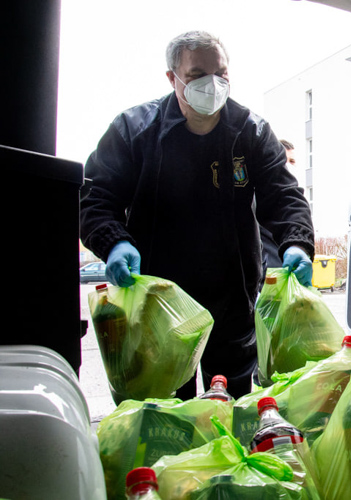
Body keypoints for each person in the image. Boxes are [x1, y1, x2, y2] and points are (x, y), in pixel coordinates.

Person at [79, 31, 315, 399]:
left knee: (233, 402)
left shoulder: (250, 132)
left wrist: (297, 243)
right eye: (197, 75)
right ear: (172, 78)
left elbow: (283, 196)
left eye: (221, 73)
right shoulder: (134, 130)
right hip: (157, 305)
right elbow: (95, 195)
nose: (212, 84)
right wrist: (114, 242)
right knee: (168, 410)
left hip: (232, 300)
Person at [260, 139, 296, 269]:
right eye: (283, 161)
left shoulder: (295, 206)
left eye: (292, 161)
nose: (288, 166)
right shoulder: (258, 203)